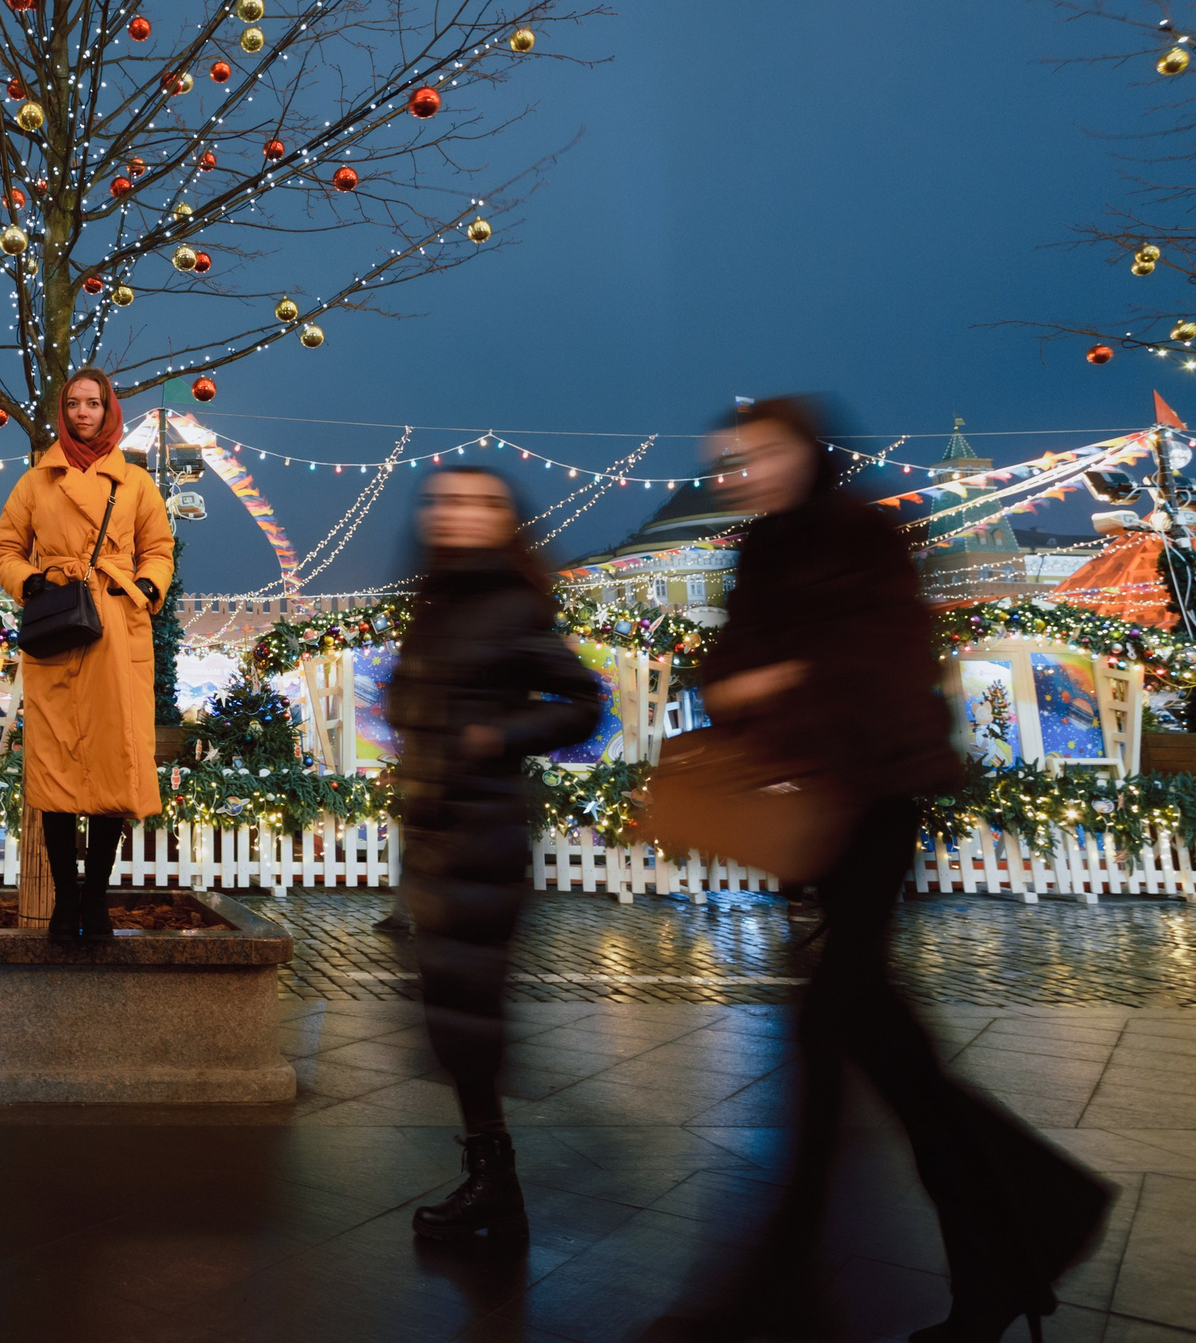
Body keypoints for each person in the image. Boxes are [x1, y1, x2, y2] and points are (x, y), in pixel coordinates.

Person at [653, 398, 1109, 1343]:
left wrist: (782, 678)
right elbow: (730, 668)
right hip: (811, 805)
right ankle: (1021, 1230)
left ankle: (787, 1281)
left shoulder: (861, 533)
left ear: (805, 451)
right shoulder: (763, 547)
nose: (747, 470)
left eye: (763, 451)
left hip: (874, 798)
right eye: (735, 457)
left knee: (836, 1029)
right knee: (872, 1046)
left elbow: (876, 664)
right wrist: (757, 679)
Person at [388, 467, 603, 1246]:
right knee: (452, 1013)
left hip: (483, 832)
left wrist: (495, 736)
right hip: (435, 832)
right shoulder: (436, 603)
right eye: (445, 500)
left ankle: (493, 1181)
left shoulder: (512, 604)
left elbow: (582, 701)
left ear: (504, 520)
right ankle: (491, 1172)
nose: (457, 513)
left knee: (468, 1015)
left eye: (479, 503)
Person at [0, 369, 175, 939]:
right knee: (57, 770)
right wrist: (31, 582)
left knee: (113, 765)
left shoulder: (135, 481)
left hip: (115, 629)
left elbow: (159, 547)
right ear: (63, 410)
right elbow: (5, 548)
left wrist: (145, 588)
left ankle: (95, 900)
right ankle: (65, 903)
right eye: (73, 403)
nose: (83, 413)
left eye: (93, 403)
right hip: (59, 630)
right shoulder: (36, 481)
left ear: (108, 409)